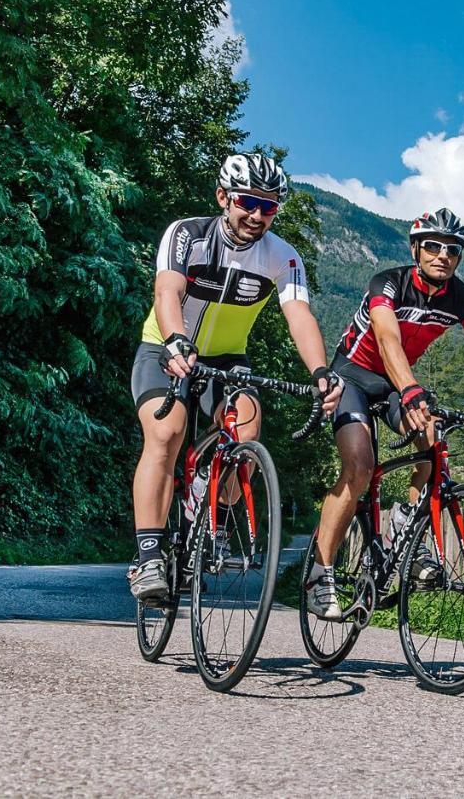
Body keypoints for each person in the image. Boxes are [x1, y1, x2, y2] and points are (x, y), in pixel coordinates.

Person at [128, 153, 342, 600]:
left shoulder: (282, 257)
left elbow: (298, 315)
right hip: (165, 345)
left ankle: (212, 526)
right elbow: (168, 292)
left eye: (269, 207)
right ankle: (149, 556)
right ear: (224, 197)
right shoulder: (187, 235)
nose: (258, 215)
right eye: (248, 202)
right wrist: (175, 340)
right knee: (166, 434)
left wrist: (321, 372)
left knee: (246, 427)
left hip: (227, 359)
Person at [307, 207, 464, 618]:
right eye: (432, 245)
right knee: (359, 466)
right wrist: (411, 390)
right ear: (416, 248)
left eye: (452, 249)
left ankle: (406, 526)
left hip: (399, 383)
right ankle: (320, 572)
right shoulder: (388, 283)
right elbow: (387, 338)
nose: (442, 255)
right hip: (354, 377)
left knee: (433, 440)